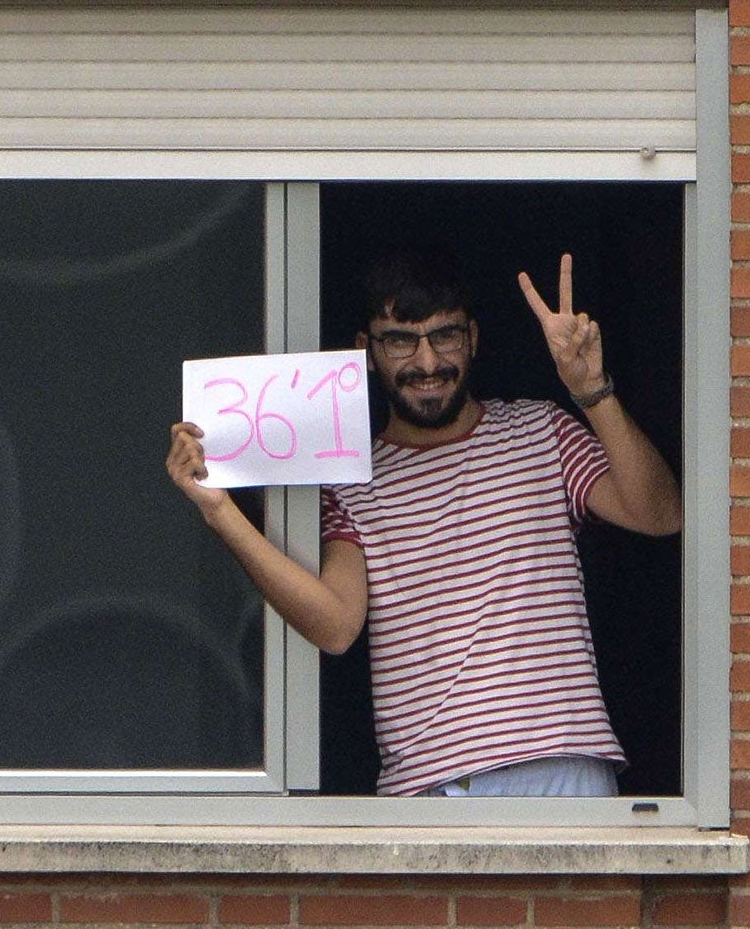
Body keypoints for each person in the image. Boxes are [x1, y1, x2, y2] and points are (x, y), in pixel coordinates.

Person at [165, 245, 682, 798]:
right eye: (401, 340)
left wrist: (591, 390)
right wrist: (220, 511)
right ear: (366, 351)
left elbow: (659, 514)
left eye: (445, 336)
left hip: (558, 764)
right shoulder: (351, 484)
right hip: (434, 788)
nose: (428, 362)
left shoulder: (541, 432)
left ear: (474, 339)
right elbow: (336, 626)